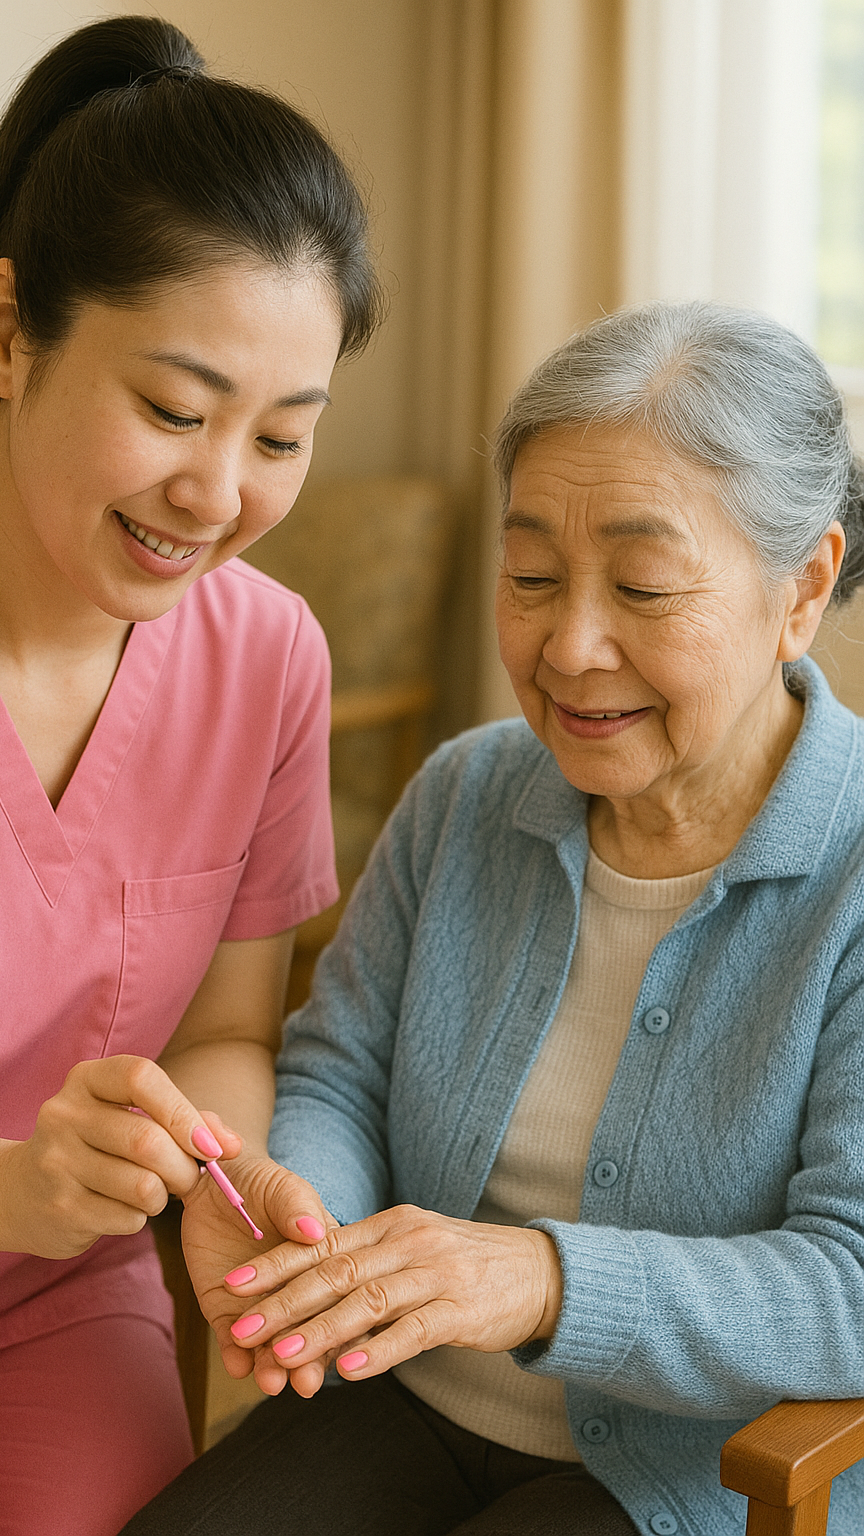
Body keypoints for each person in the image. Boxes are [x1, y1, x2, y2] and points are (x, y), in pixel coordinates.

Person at [125, 301, 864, 1536]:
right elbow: (338, 1070)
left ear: (802, 589)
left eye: (640, 585)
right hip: (400, 1400)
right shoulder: (467, 794)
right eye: (530, 577)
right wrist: (307, 1219)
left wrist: (541, 1279)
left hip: (684, 1473)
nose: (569, 646)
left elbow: (847, 1283)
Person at [0, 15, 381, 1536]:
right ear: (10, 333)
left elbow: (223, 1029)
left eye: (282, 436)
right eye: (173, 410)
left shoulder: (270, 658)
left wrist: (220, 1187)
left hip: (55, 1298)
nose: (220, 494)